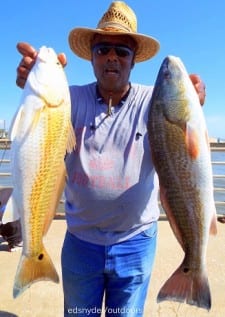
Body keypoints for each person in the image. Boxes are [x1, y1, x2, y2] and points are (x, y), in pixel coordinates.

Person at [15, 2, 206, 316]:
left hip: (136, 240)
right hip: (80, 242)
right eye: (103, 49)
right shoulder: (67, 97)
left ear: (133, 61)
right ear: (91, 56)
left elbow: (183, 115)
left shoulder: (153, 100)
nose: (112, 57)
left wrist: (195, 99)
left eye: (122, 51)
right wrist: (32, 79)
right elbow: (41, 108)